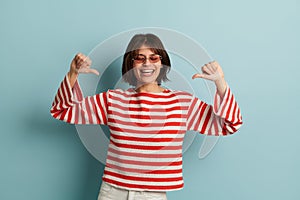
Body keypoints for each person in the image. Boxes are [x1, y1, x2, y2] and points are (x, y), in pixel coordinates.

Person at [50, 33, 242, 200]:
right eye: (139, 58)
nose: (147, 63)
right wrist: (73, 74)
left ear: (162, 62)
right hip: (112, 192)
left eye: (154, 57)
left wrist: (220, 83)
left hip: (153, 194)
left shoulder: (183, 104)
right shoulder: (113, 100)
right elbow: (62, 109)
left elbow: (230, 124)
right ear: (130, 64)